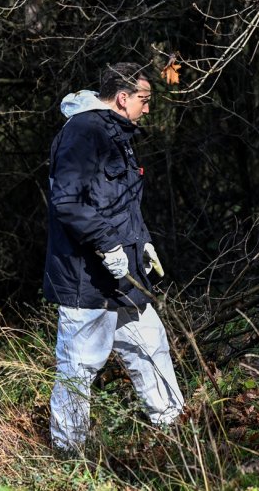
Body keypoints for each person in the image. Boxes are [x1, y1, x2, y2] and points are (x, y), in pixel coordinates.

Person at [43, 62, 184, 451]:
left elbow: (121, 203)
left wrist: (143, 245)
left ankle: (175, 430)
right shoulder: (83, 134)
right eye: (144, 99)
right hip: (84, 278)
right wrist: (107, 245)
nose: (148, 108)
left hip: (121, 276)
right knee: (79, 366)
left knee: (151, 343)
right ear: (122, 98)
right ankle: (67, 454)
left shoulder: (113, 133)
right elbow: (67, 203)